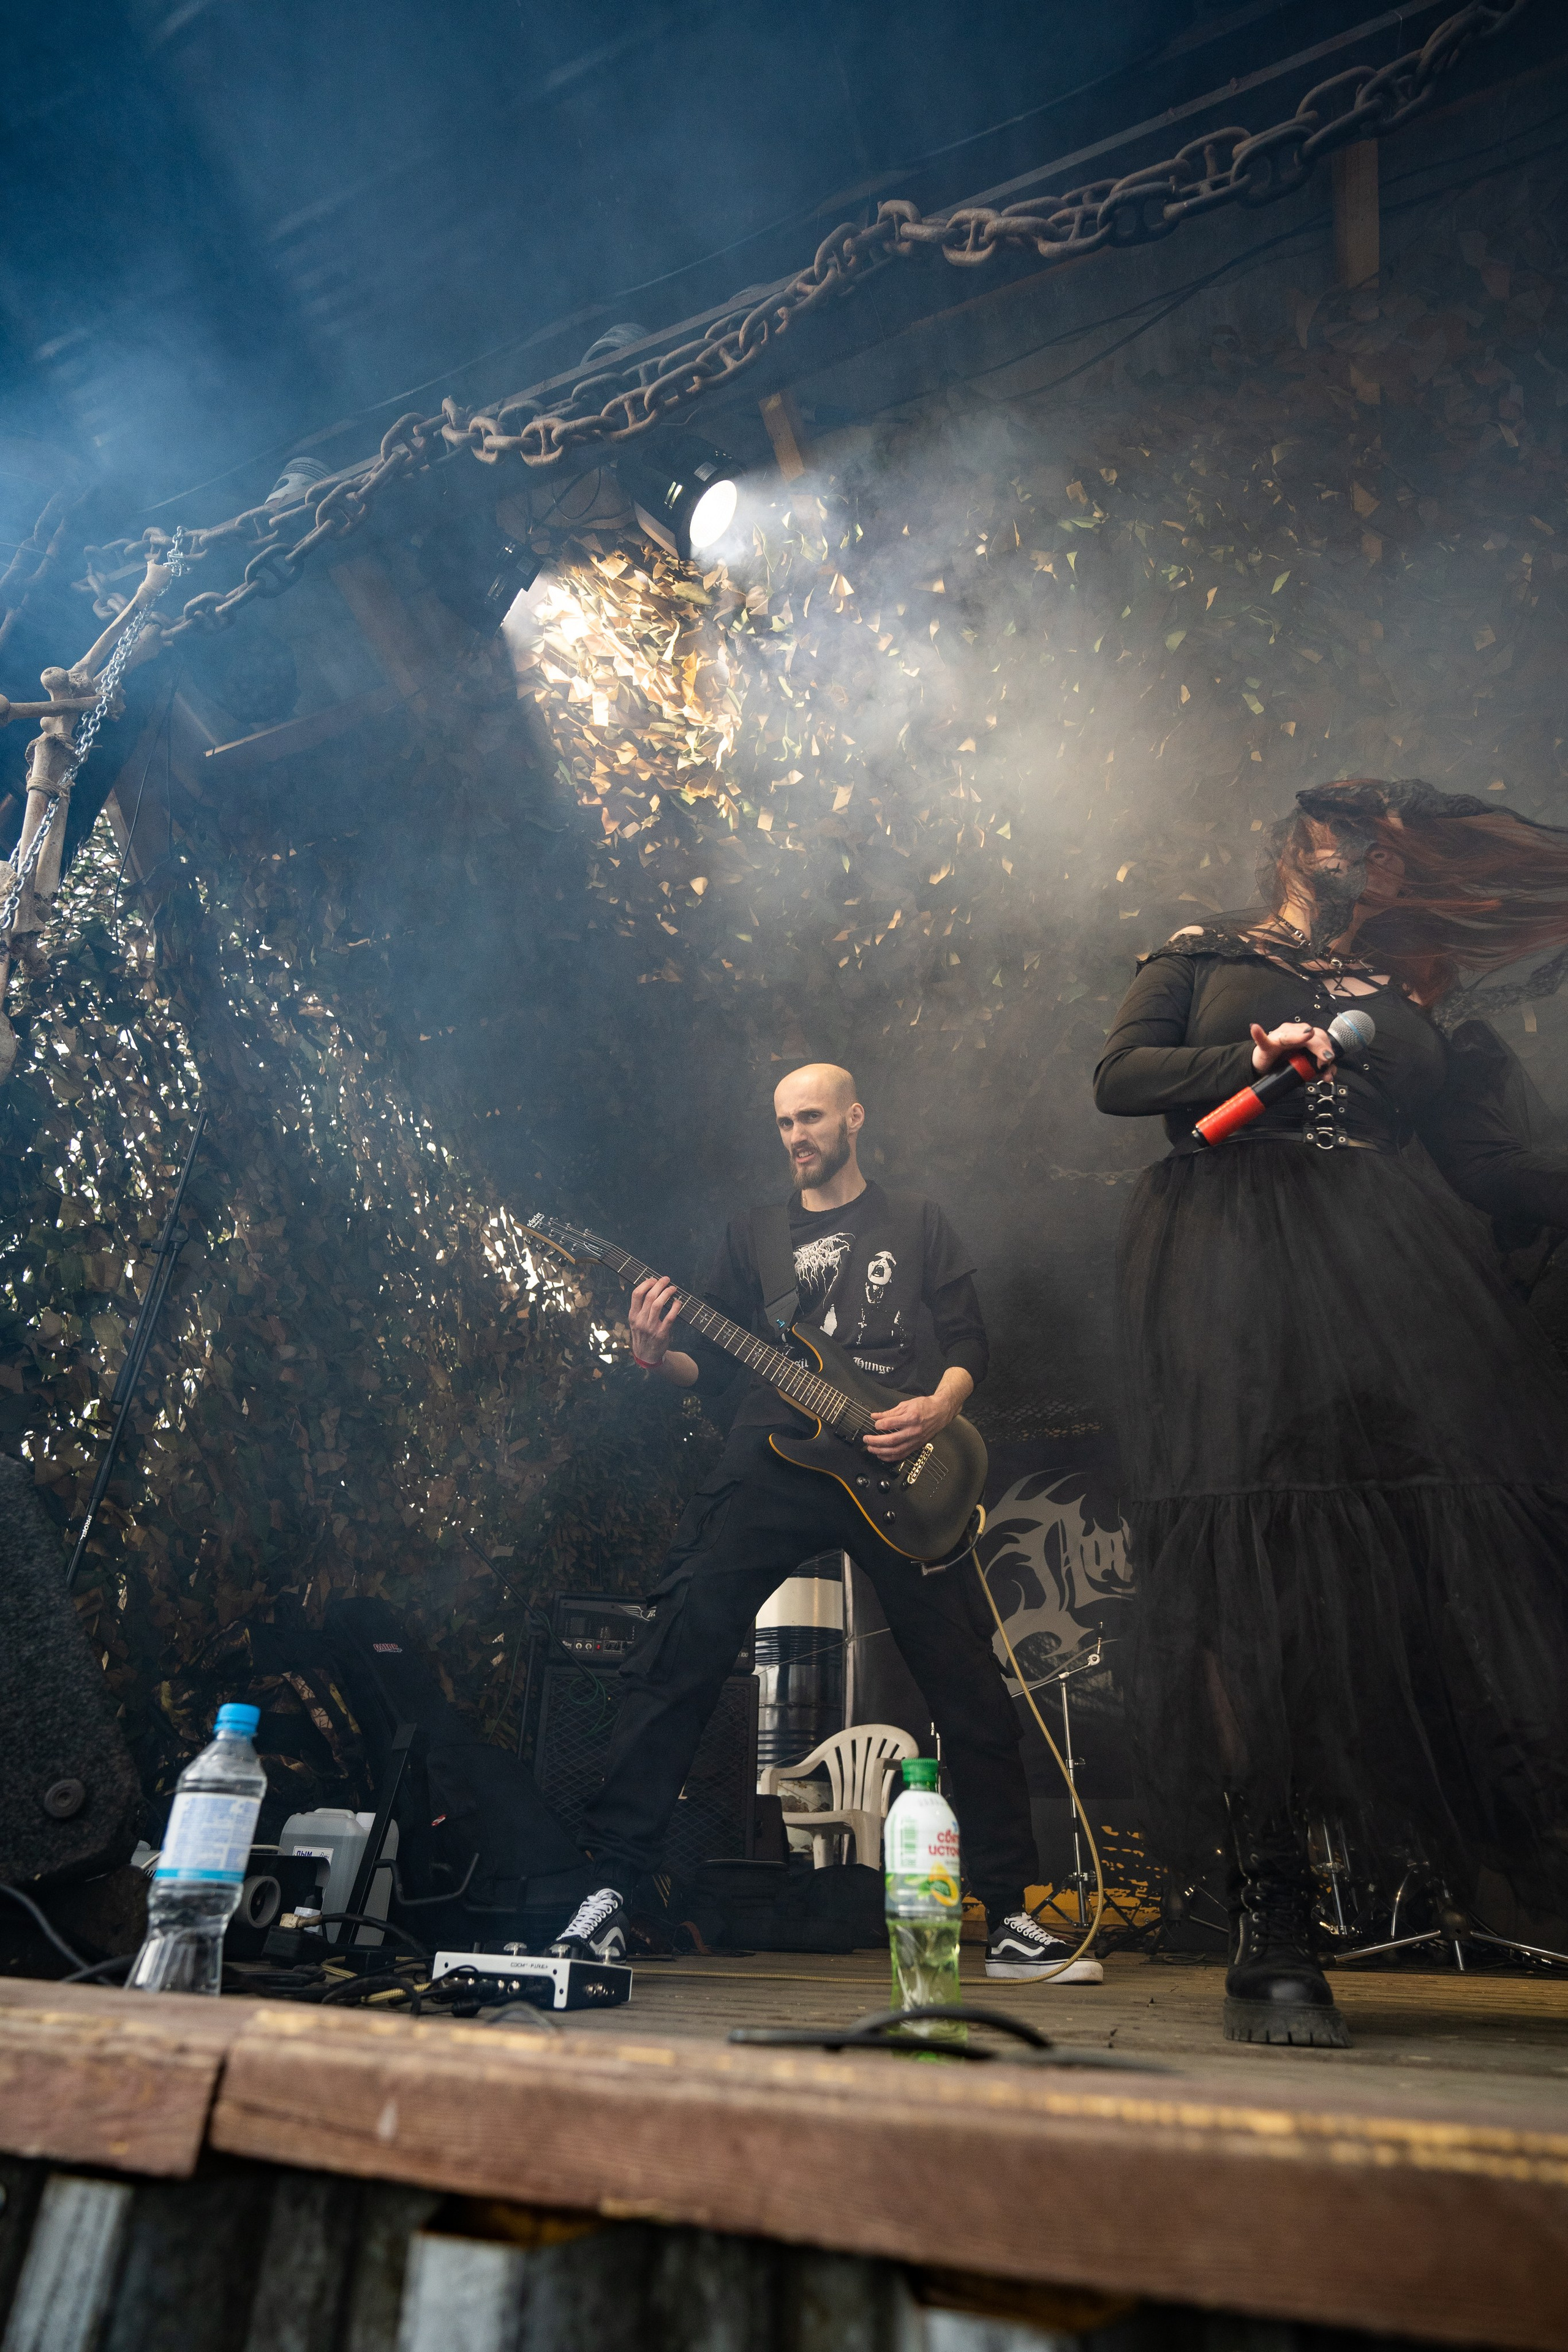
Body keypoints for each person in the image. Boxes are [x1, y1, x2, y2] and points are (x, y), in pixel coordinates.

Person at [1094, 777, 1568, 2048]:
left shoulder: (1412, 995)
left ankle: (1523, 1846)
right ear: (1289, 845)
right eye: (1339, 835)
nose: (1360, 859)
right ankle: (1273, 1916)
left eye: (1380, 846)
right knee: (1246, 1564)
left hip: (1381, 1269)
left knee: (1447, 1547)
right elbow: (1120, 1076)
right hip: (1226, 1261)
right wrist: (1240, 1058)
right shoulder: (1200, 953)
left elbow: (1480, 1164)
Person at [549, 1061, 1101, 1982]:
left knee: (966, 1679)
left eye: (810, 1118)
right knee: (678, 1649)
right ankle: (610, 1889)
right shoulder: (752, 1235)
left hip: (897, 1465)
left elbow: (969, 1340)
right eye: (781, 1123)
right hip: (772, 1463)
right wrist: (656, 1360)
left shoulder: (917, 1219)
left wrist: (938, 1407)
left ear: (853, 1118)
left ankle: (1008, 1913)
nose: (796, 1135)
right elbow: (719, 1374)